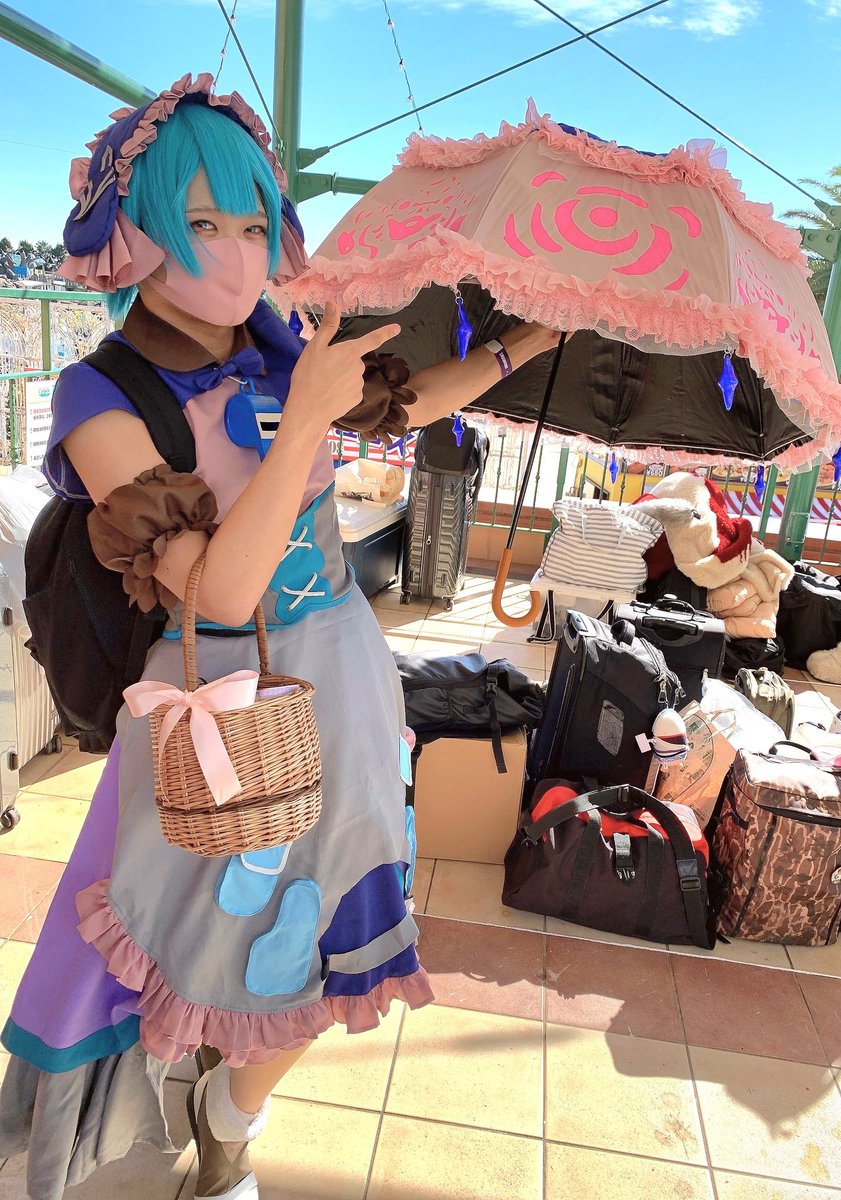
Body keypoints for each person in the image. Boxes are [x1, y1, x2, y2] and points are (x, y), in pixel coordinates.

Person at [0, 75, 561, 1200]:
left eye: (255, 225)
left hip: (341, 680)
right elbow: (216, 591)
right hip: (212, 707)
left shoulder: (279, 351)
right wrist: (305, 413)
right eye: (202, 224)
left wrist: (523, 346)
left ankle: (232, 1115)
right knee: (211, 928)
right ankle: (180, 1101)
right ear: (133, 234)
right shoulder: (100, 397)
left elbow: (406, 404)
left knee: (339, 924)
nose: (238, 253)